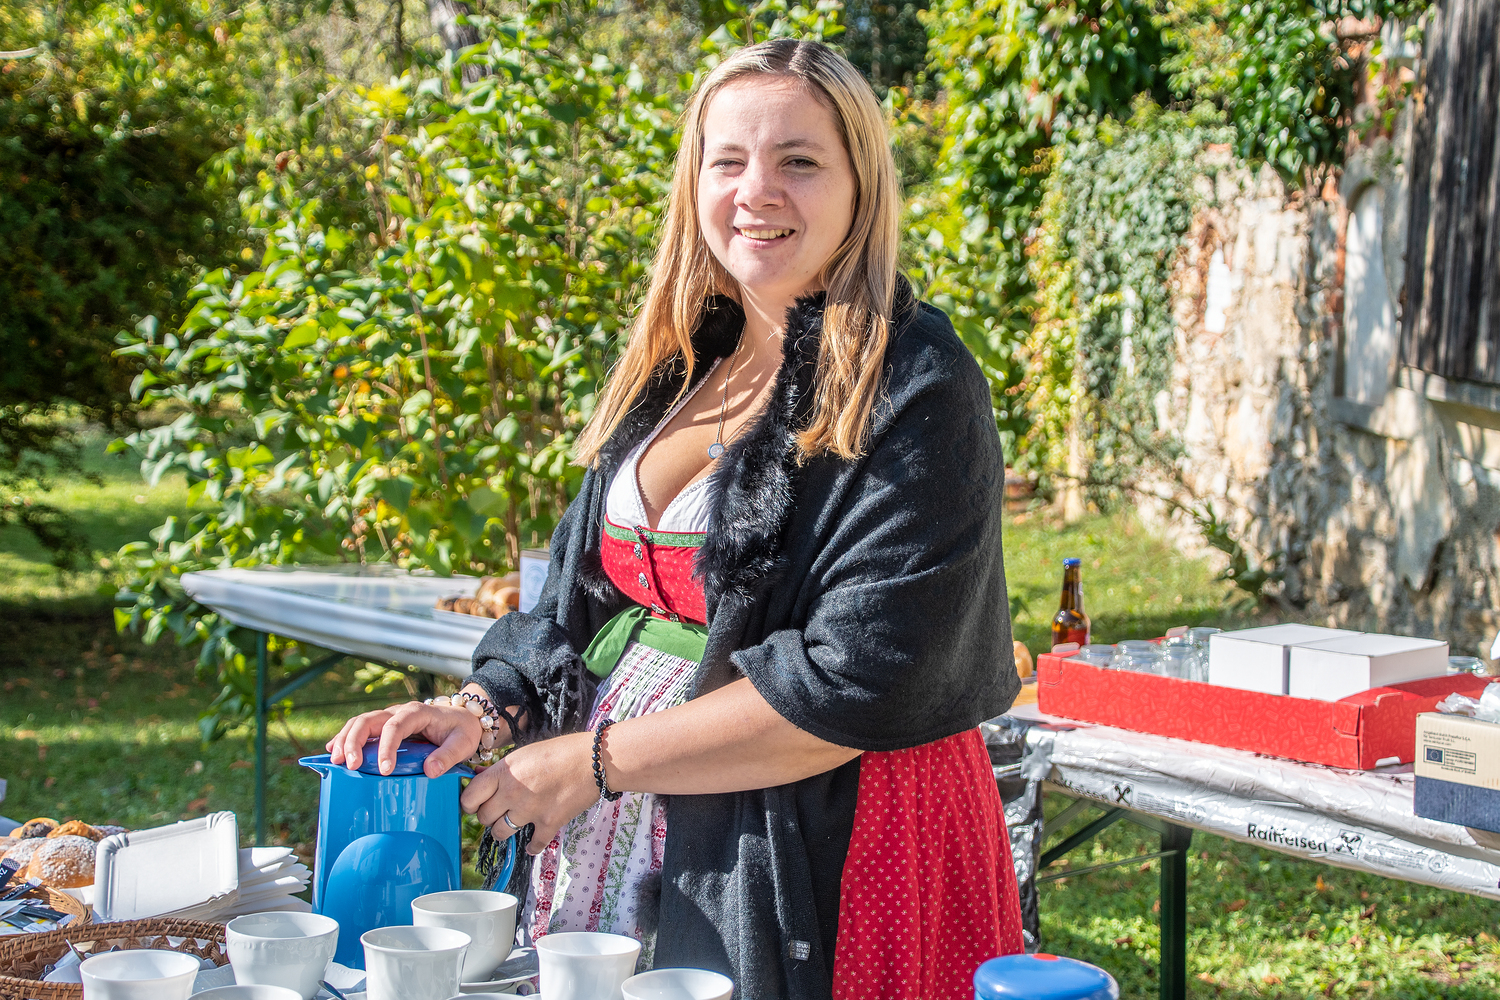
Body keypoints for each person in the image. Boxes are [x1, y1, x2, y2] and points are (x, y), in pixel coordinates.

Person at [327, 37, 1023, 1000]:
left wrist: (597, 762)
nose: (756, 191)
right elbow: (579, 599)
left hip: (834, 836)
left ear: (862, 185)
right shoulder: (685, 358)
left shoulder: (912, 381)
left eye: (799, 161)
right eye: (727, 160)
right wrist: (482, 711)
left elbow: (863, 681)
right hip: (628, 816)